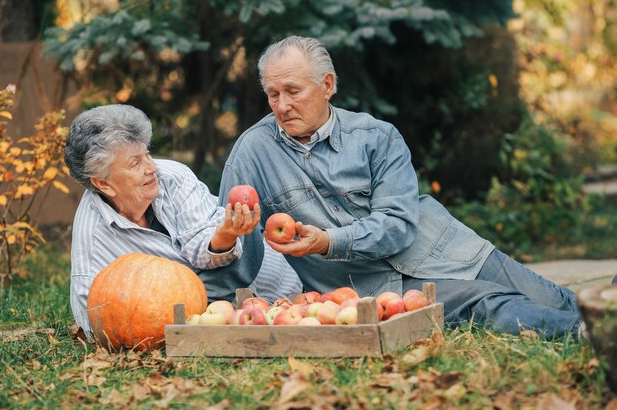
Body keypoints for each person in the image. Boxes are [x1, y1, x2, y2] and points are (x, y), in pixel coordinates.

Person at [218, 35, 584, 338]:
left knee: (554, 298)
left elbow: (397, 225)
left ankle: (598, 317)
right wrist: (225, 242)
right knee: (491, 301)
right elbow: (237, 257)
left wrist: (329, 241)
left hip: (442, 248)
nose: (281, 106)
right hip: (371, 289)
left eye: (292, 91)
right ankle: (588, 337)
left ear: (327, 85)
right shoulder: (252, 153)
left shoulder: (376, 136)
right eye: (273, 93)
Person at [65, 104, 301, 334]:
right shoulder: (93, 232)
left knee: (242, 241)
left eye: (147, 154)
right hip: (194, 307)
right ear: (103, 183)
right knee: (173, 301)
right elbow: (91, 311)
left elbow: (200, 242)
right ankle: (195, 316)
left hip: (276, 291)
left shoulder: (173, 177)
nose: (151, 168)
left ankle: (193, 315)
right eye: (135, 163)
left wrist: (226, 234)